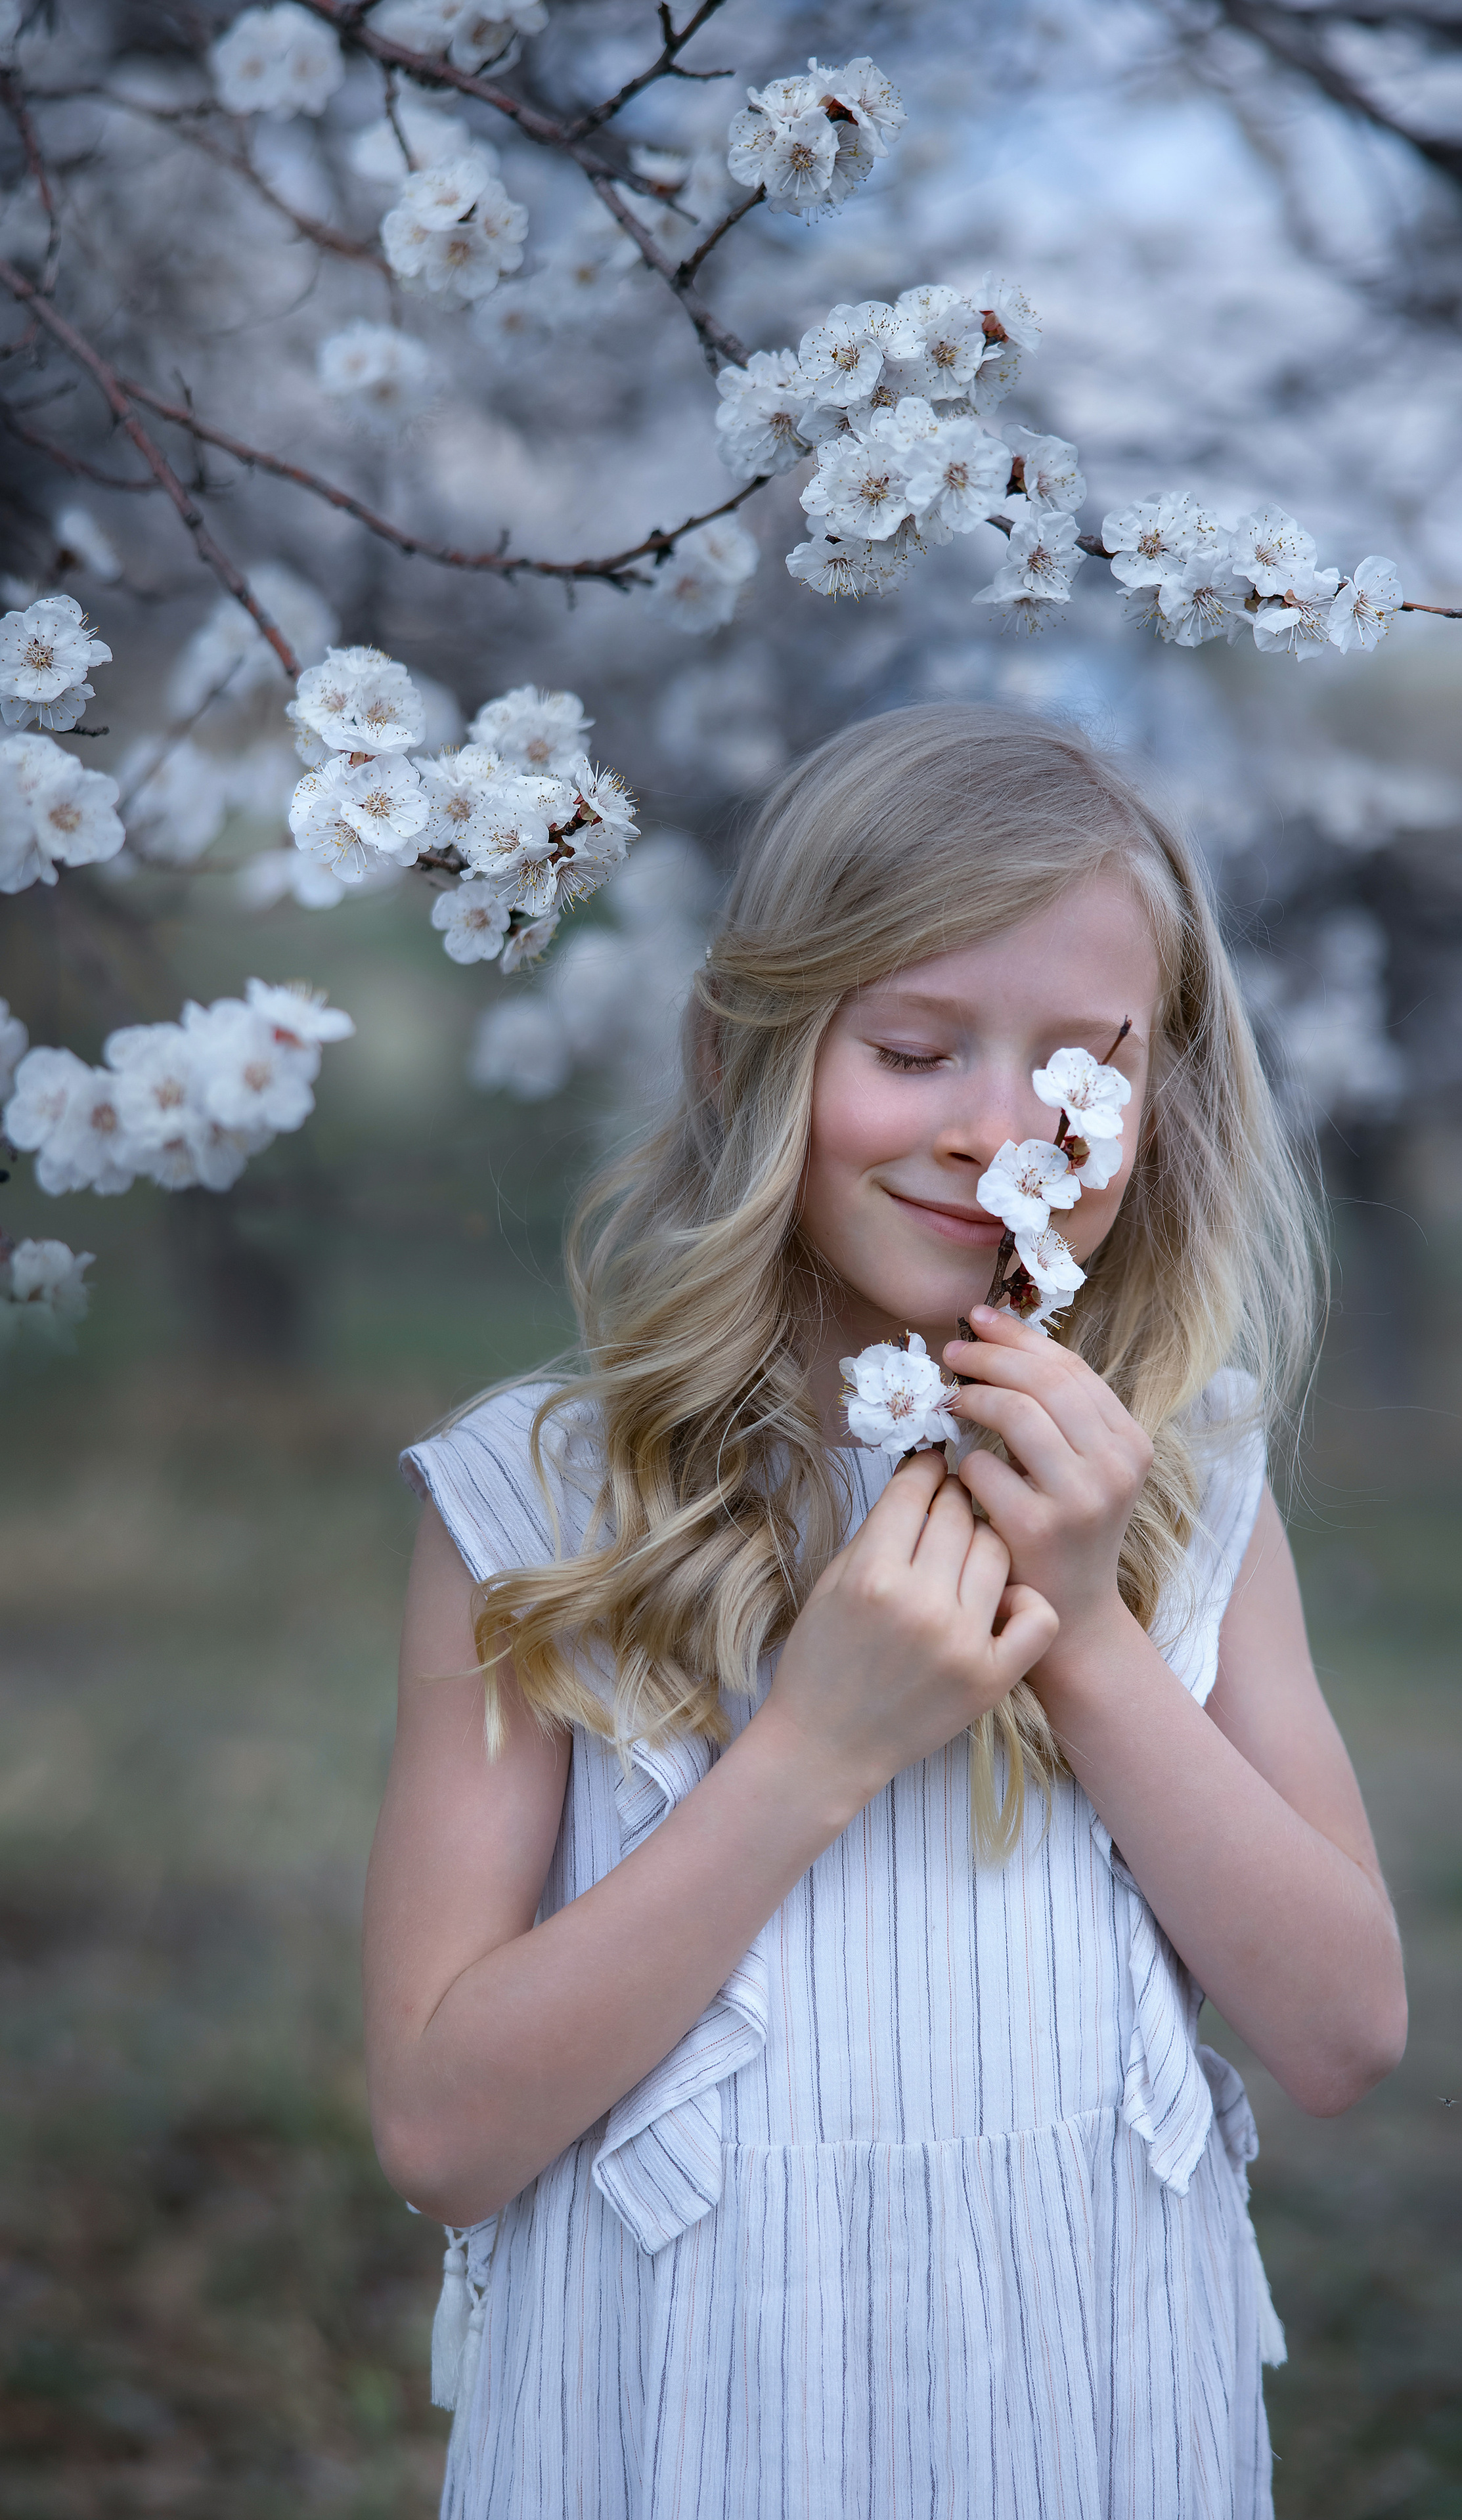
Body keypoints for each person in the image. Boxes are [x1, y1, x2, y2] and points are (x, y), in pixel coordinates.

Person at [365, 703, 1407, 2519]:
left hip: (1087, 2409)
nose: (999, 1137)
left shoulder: (1185, 1486)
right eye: (918, 1050)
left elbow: (1340, 2033)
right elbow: (445, 2133)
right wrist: (813, 1754)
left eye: (1083, 1068)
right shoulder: (536, 1502)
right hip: (683, 2417)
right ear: (750, 1052)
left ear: (1161, 1097)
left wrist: (1081, 1628)